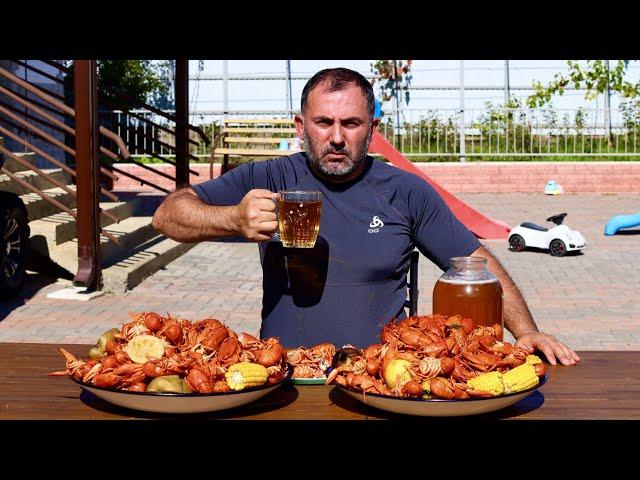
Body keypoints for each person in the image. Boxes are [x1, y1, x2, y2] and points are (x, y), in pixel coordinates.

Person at [152, 67, 579, 366]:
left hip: (381, 377)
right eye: (323, 122)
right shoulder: (270, 176)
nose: (336, 137)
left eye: (351, 123)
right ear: (301, 127)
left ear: (372, 128)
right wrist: (233, 220)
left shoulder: (404, 191)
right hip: (283, 373)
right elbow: (168, 216)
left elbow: (476, 263)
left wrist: (525, 331)